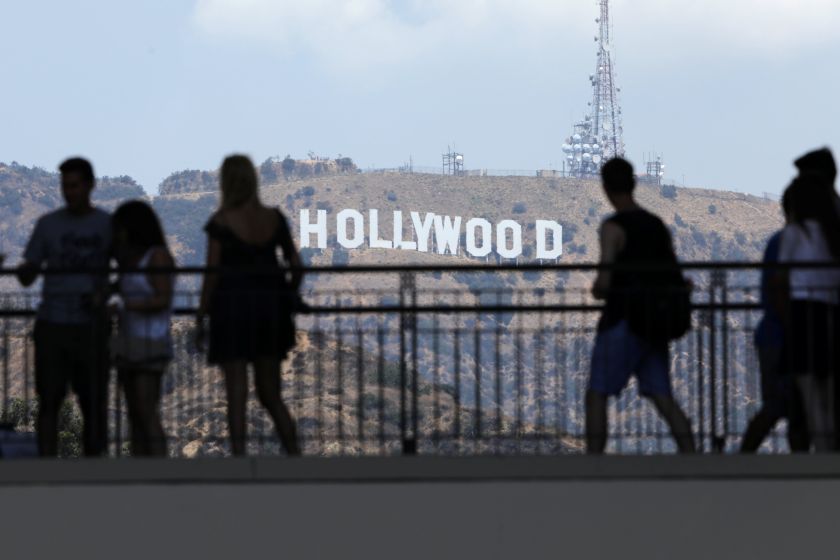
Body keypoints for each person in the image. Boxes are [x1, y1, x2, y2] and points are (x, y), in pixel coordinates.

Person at [586, 157, 695, 454]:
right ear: (633, 185)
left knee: (597, 395)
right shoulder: (656, 225)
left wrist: (597, 290)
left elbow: (604, 281)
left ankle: (593, 465)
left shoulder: (613, 227)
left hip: (622, 321)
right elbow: (675, 273)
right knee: (663, 398)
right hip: (654, 324)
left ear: (606, 188)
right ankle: (693, 458)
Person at [197, 155, 301, 456]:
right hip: (270, 313)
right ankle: (296, 458)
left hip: (231, 313)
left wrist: (202, 313)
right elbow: (296, 266)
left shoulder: (221, 221)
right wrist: (287, 297)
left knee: (236, 395)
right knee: (271, 394)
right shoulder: (274, 218)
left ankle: (240, 463)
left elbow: (212, 273)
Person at [16, 157, 112, 457]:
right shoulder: (48, 225)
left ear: (89, 186)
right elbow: (29, 273)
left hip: (90, 325)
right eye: (65, 186)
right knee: (49, 400)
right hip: (53, 324)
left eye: (74, 186)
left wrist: (104, 295)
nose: (69, 192)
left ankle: (92, 468)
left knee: (93, 401)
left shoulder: (105, 225)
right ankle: (48, 468)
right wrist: (23, 270)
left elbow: (127, 269)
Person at [740, 189, 809, 452]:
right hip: (785, 338)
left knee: (782, 407)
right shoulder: (794, 243)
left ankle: (742, 462)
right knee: (790, 409)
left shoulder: (778, 242)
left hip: (773, 336)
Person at [776, 176, 840, 452]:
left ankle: (822, 452)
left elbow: (780, 277)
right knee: (829, 390)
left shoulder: (795, 234)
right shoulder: (833, 234)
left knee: (809, 391)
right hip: (831, 314)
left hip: (803, 313)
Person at [111, 201, 175, 457]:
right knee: (135, 413)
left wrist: (126, 305)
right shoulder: (131, 259)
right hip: (129, 341)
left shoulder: (157, 256)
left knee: (146, 410)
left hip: (151, 340)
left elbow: (162, 298)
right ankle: (140, 469)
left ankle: (159, 469)